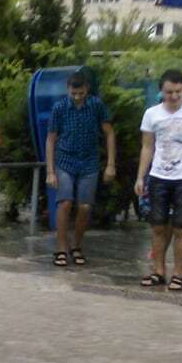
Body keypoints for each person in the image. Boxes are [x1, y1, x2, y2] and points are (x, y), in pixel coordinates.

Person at [45, 72, 116, 267]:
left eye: (81, 93)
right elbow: (51, 139)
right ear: (68, 90)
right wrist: (50, 171)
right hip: (65, 159)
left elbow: (109, 133)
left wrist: (110, 164)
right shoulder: (60, 108)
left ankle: (76, 245)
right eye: (74, 93)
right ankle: (61, 248)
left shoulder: (96, 105)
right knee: (65, 202)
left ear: (87, 90)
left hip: (89, 160)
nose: (77, 97)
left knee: (85, 206)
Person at [135, 69, 182, 291]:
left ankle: (178, 273)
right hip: (158, 177)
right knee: (157, 226)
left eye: (178, 92)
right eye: (169, 92)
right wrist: (140, 177)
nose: (174, 96)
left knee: (181, 228)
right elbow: (147, 147)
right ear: (161, 92)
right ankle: (158, 271)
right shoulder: (152, 114)